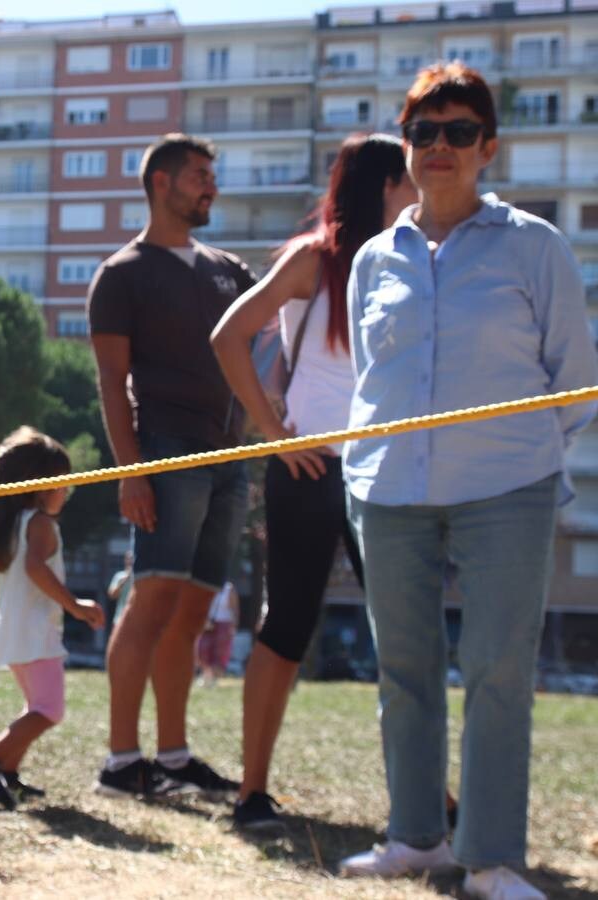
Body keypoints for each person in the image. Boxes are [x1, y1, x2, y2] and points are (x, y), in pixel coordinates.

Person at [334, 64, 598, 900]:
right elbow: (373, 376)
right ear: (406, 147)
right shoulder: (374, 259)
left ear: (488, 146)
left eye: (456, 132)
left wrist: (517, 454)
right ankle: (415, 839)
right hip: (388, 493)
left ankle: (489, 860)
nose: (437, 147)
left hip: (508, 489)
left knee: (496, 669)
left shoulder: (536, 246)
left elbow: (576, 382)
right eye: (422, 132)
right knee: (403, 668)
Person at [209, 132, 417, 832]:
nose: (421, 186)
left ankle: (425, 801)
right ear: (384, 184)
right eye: (409, 176)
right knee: (287, 626)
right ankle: (252, 793)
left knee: (406, 635)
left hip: (387, 470)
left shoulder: (411, 261)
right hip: (308, 466)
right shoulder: (312, 259)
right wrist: (274, 434)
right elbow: (228, 337)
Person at [88, 133, 255, 799]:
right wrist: (132, 472)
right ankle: (121, 763)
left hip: (230, 459)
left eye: (213, 176)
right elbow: (109, 382)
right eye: (199, 176)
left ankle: (175, 757)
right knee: (151, 600)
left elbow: (263, 345)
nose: (210, 187)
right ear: (161, 182)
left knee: (192, 610)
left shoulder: (228, 268)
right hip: (165, 455)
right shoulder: (122, 274)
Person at [0, 427, 106, 810]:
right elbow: (36, 567)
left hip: (13, 634)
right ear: (43, 487)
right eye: (65, 486)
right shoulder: (41, 525)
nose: (66, 495)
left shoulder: (4, 528)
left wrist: (9, 619)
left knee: (35, 706)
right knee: (49, 710)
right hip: (37, 634)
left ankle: (9, 773)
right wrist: (77, 606)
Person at [195, 581, 238, 687]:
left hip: (224, 624)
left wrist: (234, 626)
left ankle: (214, 679)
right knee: (202, 649)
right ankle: (206, 676)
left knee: (220, 652)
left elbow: (235, 609)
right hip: (207, 623)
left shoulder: (229, 588)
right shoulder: (206, 586)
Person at [106, 551, 133, 628]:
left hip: (137, 619)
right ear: (125, 560)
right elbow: (112, 595)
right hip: (120, 618)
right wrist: (123, 581)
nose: (131, 561)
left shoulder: (141, 578)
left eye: (133, 558)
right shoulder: (119, 576)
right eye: (129, 558)